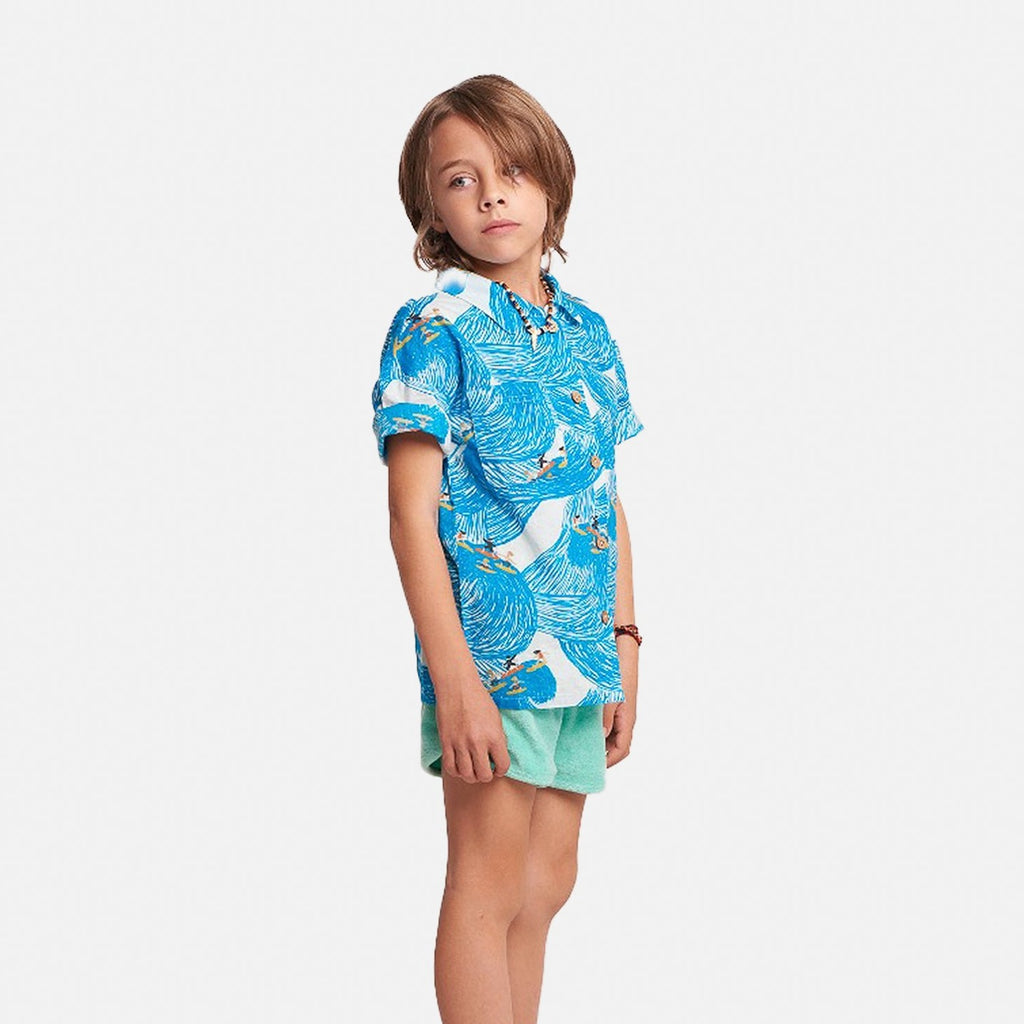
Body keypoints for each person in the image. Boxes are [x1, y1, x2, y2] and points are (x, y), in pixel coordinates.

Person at [369, 74, 646, 1024]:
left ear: (551, 184)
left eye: (512, 170)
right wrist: (455, 680)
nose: (491, 194)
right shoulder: (435, 327)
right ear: (430, 210)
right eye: (461, 179)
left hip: (583, 652)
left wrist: (625, 644)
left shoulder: (587, 331)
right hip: (497, 655)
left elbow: (605, 496)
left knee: (546, 884)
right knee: (487, 882)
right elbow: (410, 515)